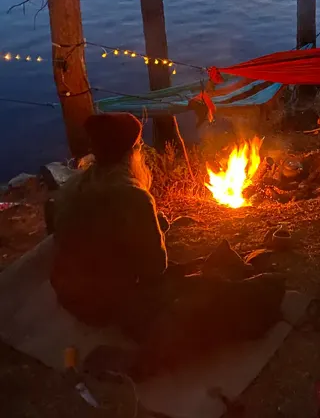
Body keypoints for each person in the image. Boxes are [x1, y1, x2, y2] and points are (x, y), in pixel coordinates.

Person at [50, 112, 285, 377]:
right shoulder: (132, 194)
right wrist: (158, 230)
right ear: (132, 151)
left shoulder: (71, 186)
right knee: (214, 302)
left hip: (70, 296)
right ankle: (265, 290)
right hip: (109, 304)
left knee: (199, 277)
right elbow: (154, 270)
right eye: (138, 146)